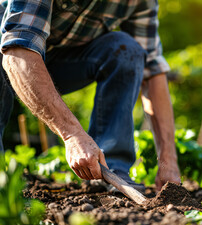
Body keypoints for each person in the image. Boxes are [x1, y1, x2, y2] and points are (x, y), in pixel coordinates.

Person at [0, 0, 181, 191]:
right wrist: (72, 134)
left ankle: (110, 172)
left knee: (126, 49)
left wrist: (168, 161)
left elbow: (152, 72)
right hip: (13, 50)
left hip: (58, 61)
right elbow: (18, 51)